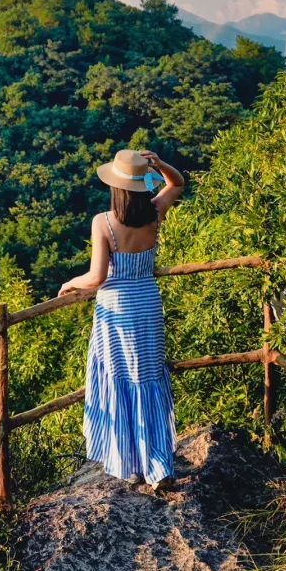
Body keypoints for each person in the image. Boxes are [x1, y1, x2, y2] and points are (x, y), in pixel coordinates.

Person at [58, 147, 185, 491]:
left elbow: (96, 277)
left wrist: (71, 282)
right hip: (147, 305)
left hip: (116, 313)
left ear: (115, 186)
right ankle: (157, 464)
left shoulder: (103, 222)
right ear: (143, 184)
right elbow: (178, 183)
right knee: (147, 379)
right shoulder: (156, 212)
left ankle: (127, 462)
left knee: (119, 380)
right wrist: (159, 165)